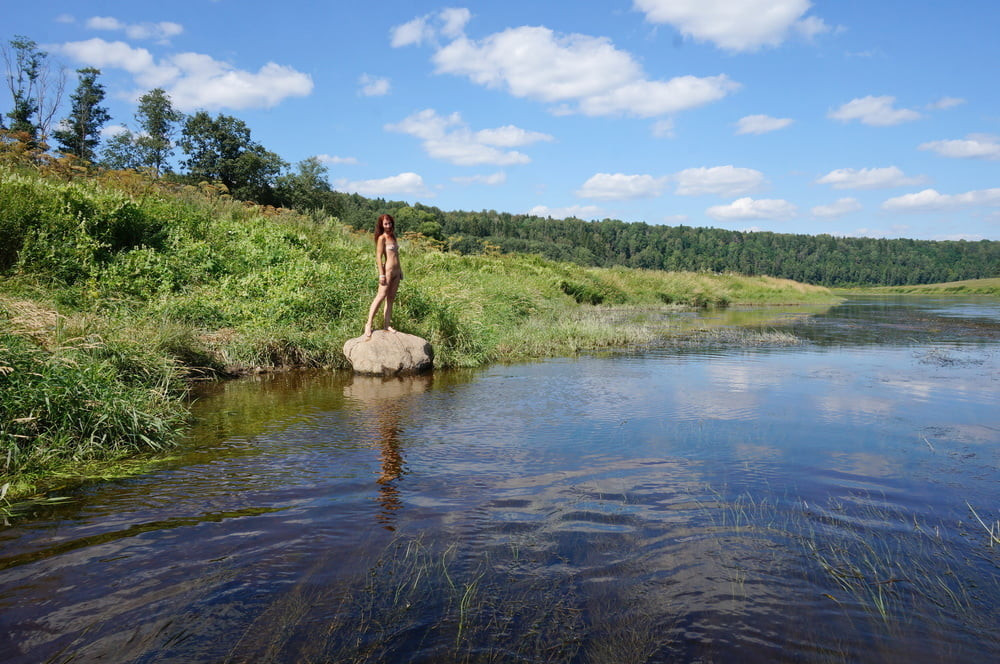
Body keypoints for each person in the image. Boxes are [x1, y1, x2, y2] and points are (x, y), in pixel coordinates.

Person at [364, 213, 403, 339]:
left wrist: (401, 270)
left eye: (390, 223)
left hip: (397, 272)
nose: (388, 225)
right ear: (381, 225)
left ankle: (387, 325)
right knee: (380, 296)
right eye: (385, 223)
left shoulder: (393, 236)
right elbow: (379, 257)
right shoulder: (382, 238)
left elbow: (396, 255)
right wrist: (381, 274)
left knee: (390, 299)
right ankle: (368, 324)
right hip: (387, 272)